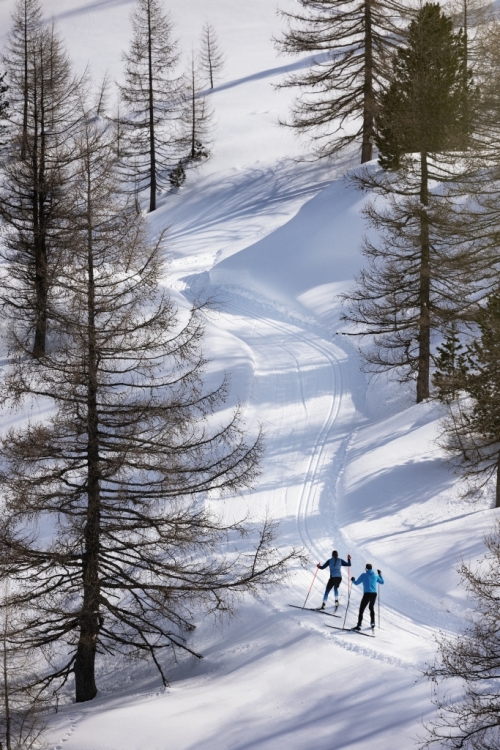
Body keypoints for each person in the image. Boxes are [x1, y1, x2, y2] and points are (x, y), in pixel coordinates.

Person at [351, 564, 384, 630]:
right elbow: (382, 582)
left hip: (367, 594)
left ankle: (359, 625)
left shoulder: (363, 575)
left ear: (366, 569)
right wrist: (380, 574)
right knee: (371, 607)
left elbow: (357, 583)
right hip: (374, 594)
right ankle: (373, 623)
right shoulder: (375, 575)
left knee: (361, 609)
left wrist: (353, 580)